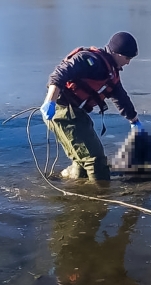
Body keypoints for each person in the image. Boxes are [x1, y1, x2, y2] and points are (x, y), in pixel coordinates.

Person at [40, 31, 143, 184]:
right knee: (95, 159)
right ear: (116, 53)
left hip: (77, 113)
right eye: (127, 58)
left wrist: (134, 121)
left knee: (83, 162)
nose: (128, 62)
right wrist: (50, 102)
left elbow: (121, 99)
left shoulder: (111, 73)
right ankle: (101, 198)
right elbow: (59, 75)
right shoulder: (90, 60)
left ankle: (73, 186)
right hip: (61, 111)